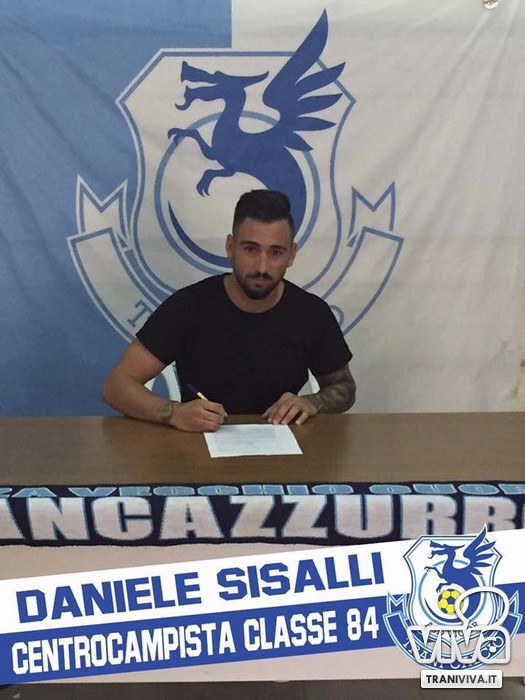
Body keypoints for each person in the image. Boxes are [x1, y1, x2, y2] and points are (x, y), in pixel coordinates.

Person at [103, 190, 356, 431]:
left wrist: (313, 402)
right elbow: (116, 385)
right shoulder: (189, 306)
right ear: (230, 246)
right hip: (198, 448)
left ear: (292, 255)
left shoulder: (311, 314)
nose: (262, 266)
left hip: (286, 449)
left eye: (276, 252)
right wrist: (173, 413)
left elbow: (344, 387)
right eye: (250, 249)